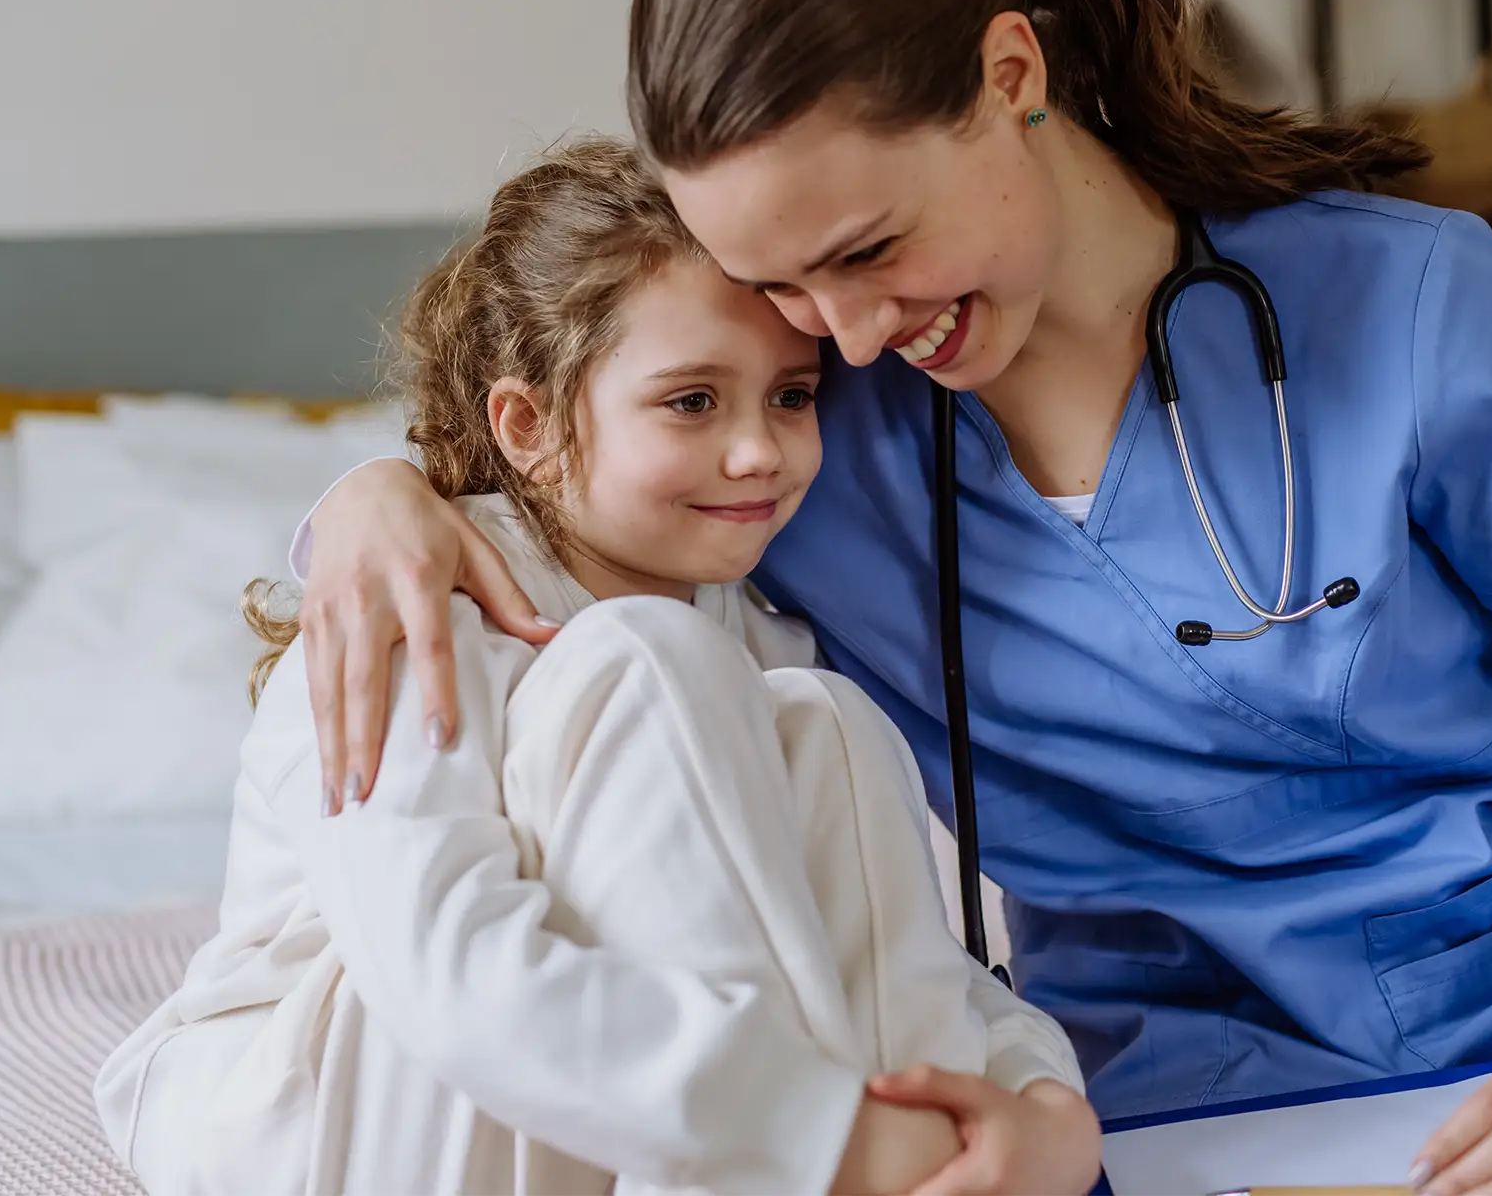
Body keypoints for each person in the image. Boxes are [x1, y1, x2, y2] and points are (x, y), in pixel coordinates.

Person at [288, 0, 1492, 1194]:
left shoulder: (1407, 302)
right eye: (793, 295)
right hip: (1146, 1086)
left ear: (1010, 69)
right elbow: (582, 475)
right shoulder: (812, 430)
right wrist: (373, 499)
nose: (856, 333)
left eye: (870, 250)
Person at [94, 136, 1098, 1196]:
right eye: (692, 402)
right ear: (527, 424)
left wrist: (1040, 1100)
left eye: (792, 397)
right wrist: (817, 1133)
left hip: (562, 1085)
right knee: (649, 662)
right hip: (305, 1111)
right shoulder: (414, 608)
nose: (758, 451)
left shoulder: (752, 628)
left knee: (828, 722)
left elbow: (897, 932)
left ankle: (946, 1157)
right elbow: (447, 969)